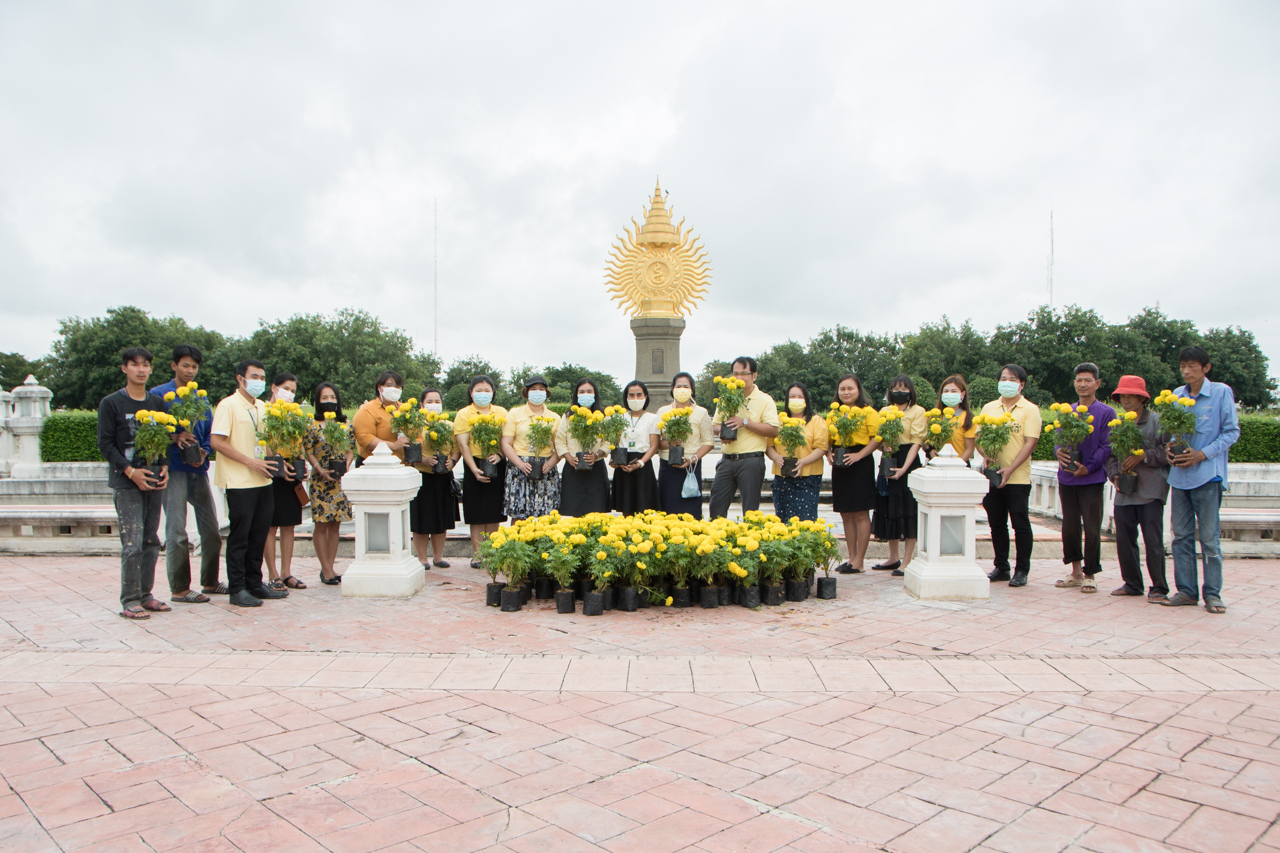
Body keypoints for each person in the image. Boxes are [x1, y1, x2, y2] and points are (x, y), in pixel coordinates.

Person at [1164, 346, 1240, 614]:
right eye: (1183, 365)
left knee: (1208, 537)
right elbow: (1172, 434)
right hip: (1180, 477)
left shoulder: (1220, 392)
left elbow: (1231, 432)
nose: (1186, 371)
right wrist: (1170, 448)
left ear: (1206, 368)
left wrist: (1202, 455)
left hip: (1208, 476)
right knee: (1181, 536)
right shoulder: (1175, 395)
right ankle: (1186, 591)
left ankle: (1212, 593)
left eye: (1192, 366)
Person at [98, 347, 170, 620]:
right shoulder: (112, 403)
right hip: (127, 482)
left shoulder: (156, 403)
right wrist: (130, 472)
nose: (141, 369)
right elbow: (105, 444)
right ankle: (129, 599)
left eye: (146, 365)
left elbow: (164, 440)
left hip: (153, 480)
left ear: (151, 369)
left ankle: (146, 594)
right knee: (133, 543)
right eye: (134, 364)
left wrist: (163, 466)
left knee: (151, 540)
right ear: (124, 368)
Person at [210, 359, 288, 607]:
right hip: (238, 481)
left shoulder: (262, 407)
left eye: (262, 378)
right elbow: (217, 442)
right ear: (240, 379)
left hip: (263, 481)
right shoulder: (228, 406)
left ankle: (255, 583)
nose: (259, 382)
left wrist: (276, 462)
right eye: (254, 377)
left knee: (258, 535)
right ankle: (237, 588)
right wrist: (250, 462)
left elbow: (265, 441)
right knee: (240, 537)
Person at [154, 344, 222, 604]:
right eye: (185, 365)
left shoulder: (200, 398)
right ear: (174, 366)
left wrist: (204, 450)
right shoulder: (160, 395)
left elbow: (208, 429)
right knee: (177, 531)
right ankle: (180, 588)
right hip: (174, 469)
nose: (190, 371)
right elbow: (150, 428)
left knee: (212, 530)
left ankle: (211, 582)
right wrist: (175, 436)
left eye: (194, 366)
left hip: (198, 469)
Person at [1103, 375, 1170, 602]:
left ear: (1142, 399)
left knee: (1152, 540)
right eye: (1123, 396)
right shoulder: (1120, 424)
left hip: (1151, 490)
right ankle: (1132, 583)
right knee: (1124, 539)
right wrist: (1114, 475)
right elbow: (1111, 456)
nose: (1126, 400)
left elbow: (1167, 452)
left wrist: (1142, 456)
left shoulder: (1157, 421)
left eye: (1131, 395)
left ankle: (1159, 587)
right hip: (1124, 490)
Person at [1052, 363, 1115, 594]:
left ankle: (1090, 574)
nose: (1083, 384)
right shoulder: (1067, 410)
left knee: (1092, 526)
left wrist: (1088, 468)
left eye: (1088, 380)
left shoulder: (1106, 412)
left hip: (1092, 478)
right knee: (1069, 525)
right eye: (1079, 380)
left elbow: (1106, 446)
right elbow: (1059, 438)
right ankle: (1075, 572)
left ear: (1097, 383)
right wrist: (1058, 451)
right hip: (1067, 477)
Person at [979, 364, 1044, 587]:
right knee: (996, 524)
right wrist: (985, 455)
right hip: (992, 476)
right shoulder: (989, 408)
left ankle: (1022, 570)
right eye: (1003, 378)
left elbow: (1031, 442)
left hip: (1017, 478)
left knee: (1020, 524)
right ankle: (1002, 567)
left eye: (1012, 379)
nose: (1006, 382)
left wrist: (1011, 468)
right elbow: (980, 437)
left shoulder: (1030, 409)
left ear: (1021, 384)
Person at [709, 357, 780, 518]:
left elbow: (773, 430)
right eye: (735, 374)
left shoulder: (764, 400)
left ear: (754, 376)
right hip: (727, 460)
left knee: (750, 510)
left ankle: (749, 541)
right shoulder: (726, 398)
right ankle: (718, 541)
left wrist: (745, 422)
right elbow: (715, 425)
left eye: (744, 373)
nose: (739, 378)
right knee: (716, 506)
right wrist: (723, 432)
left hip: (751, 461)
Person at [871, 375, 926, 577]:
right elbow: (878, 437)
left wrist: (904, 469)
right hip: (889, 458)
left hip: (908, 460)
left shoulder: (918, 412)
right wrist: (884, 447)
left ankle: (908, 560)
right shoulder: (884, 411)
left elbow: (916, 443)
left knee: (908, 509)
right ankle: (893, 557)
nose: (899, 391)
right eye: (895, 387)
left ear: (910, 391)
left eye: (904, 388)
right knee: (889, 508)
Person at [826, 374, 880, 574]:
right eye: (842, 389)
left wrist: (859, 455)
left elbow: (877, 439)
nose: (846, 392)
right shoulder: (834, 413)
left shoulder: (868, 412)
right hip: (840, 464)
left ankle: (860, 560)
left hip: (860, 463)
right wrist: (828, 452)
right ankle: (851, 558)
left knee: (860, 512)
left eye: (850, 388)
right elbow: (828, 437)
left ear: (858, 390)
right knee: (846, 512)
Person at [453, 375, 509, 565]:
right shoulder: (464, 414)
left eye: (487, 390)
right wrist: (474, 469)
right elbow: (463, 445)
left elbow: (507, 440)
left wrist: (500, 456)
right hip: (474, 463)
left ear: (493, 393)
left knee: (493, 512)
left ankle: (494, 554)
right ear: (471, 393)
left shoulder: (501, 412)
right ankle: (478, 556)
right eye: (478, 390)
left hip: (496, 463)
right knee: (476, 513)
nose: (483, 394)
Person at [303, 381, 353, 584]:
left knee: (335, 525)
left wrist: (347, 465)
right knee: (321, 524)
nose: (329, 401)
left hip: (340, 480)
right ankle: (325, 569)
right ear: (318, 400)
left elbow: (351, 448)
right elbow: (308, 450)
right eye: (325, 398)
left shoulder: (345, 423)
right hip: (321, 480)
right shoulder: (312, 425)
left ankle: (330, 567)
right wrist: (319, 470)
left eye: (332, 398)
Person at [263, 373, 306, 591]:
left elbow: (299, 444)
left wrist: (300, 463)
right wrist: (279, 463)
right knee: (270, 527)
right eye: (285, 389)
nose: (289, 394)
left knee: (289, 526)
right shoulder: (264, 412)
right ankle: (272, 574)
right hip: (271, 474)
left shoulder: (293, 416)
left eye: (293, 390)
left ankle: (286, 572)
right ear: (274, 388)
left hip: (291, 475)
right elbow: (263, 442)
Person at [501, 375, 561, 521]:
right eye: (533, 389)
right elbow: (506, 443)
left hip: (545, 468)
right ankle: (516, 543)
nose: (537, 392)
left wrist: (550, 464)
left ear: (547, 393)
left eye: (541, 389)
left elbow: (560, 447)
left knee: (546, 516)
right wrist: (520, 464)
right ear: (526, 392)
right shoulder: (514, 413)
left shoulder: (554, 417)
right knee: (519, 516)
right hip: (520, 467)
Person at [766, 382, 828, 522]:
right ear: (787, 399)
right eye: (792, 396)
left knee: (804, 521)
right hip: (782, 476)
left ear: (806, 399)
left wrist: (804, 461)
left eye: (800, 396)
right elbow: (769, 445)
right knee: (782, 520)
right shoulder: (778, 421)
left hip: (808, 477)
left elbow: (822, 447)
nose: (796, 399)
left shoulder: (816, 421)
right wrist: (776, 457)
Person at [411, 388, 460, 567]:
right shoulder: (415, 425)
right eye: (430, 402)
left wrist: (452, 461)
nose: (434, 405)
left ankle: (438, 557)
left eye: (437, 401)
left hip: (443, 475)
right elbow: (409, 450)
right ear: (422, 404)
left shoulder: (449, 425)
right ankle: (422, 558)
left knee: (441, 517)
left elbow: (457, 447)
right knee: (422, 519)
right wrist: (423, 460)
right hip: (422, 475)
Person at [655, 372, 714, 519]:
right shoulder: (663, 412)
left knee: (691, 512)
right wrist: (669, 444)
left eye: (685, 386)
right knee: (668, 511)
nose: (682, 389)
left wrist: (693, 459)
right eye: (678, 386)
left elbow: (709, 442)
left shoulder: (701, 412)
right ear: (672, 389)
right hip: (668, 467)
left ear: (692, 390)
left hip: (691, 468)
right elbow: (656, 443)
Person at [557, 378, 611, 516]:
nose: (585, 394)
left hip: (596, 469)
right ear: (576, 395)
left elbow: (609, 441)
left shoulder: (602, 416)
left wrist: (597, 454)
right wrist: (569, 458)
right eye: (581, 392)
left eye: (589, 391)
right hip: (573, 468)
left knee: (597, 512)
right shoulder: (569, 416)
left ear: (595, 394)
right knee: (573, 511)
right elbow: (560, 440)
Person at [611, 380, 661, 516]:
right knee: (626, 510)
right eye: (631, 395)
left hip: (642, 466)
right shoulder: (619, 418)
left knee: (644, 510)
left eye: (639, 395)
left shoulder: (653, 418)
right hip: (623, 465)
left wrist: (640, 463)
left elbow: (654, 446)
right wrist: (614, 460)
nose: (635, 399)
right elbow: (614, 443)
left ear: (645, 396)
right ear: (626, 398)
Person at [928, 375, 976, 462]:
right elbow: (926, 442)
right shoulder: (935, 417)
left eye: (954, 391)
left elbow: (969, 450)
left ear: (962, 394)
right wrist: (930, 450)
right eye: (946, 391)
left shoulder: (968, 418)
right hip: (937, 466)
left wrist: (956, 465)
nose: (949, 394)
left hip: (959, 467)